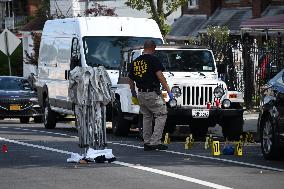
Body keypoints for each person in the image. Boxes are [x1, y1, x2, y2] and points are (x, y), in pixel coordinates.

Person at [128, 40, 173, 151]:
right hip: (151, 93)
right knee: (161, 114)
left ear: (144, 48)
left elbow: (130, 80)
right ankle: (155, 142)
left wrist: (134, 94)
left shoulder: (136, 62)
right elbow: (160, 77)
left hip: (141, 94)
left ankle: (147, 142)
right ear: (153, 48)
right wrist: (169, 92)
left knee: (147, 116)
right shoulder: (153, 60)